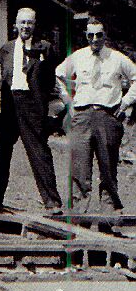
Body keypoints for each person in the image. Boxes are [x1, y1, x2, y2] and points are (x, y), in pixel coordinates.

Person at [56, 18, 136, 213]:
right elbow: (58, 74)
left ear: (105, 35)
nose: (94, 39)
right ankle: (78, 213)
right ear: (86, 35)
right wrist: (67, 101)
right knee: (80, 167)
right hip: (82, 116)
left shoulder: (117, 58)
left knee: (108, 167)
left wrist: (126, 102)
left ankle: (108, 213)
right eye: (90, 35)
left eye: (99, 35)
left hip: (108, 115)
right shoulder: (78, 56)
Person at [0, 8, 62, 214]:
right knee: (2, 154)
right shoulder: (6, 49)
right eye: (22, 22)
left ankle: (52, 202)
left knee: (39, 152)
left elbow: (51, 79)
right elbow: (0, 77)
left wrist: (49, 106)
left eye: (29, 23)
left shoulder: (44, 48)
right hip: (9, 103)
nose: (26, 27)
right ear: (16, 25)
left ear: (34, 25)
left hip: (32, 104)